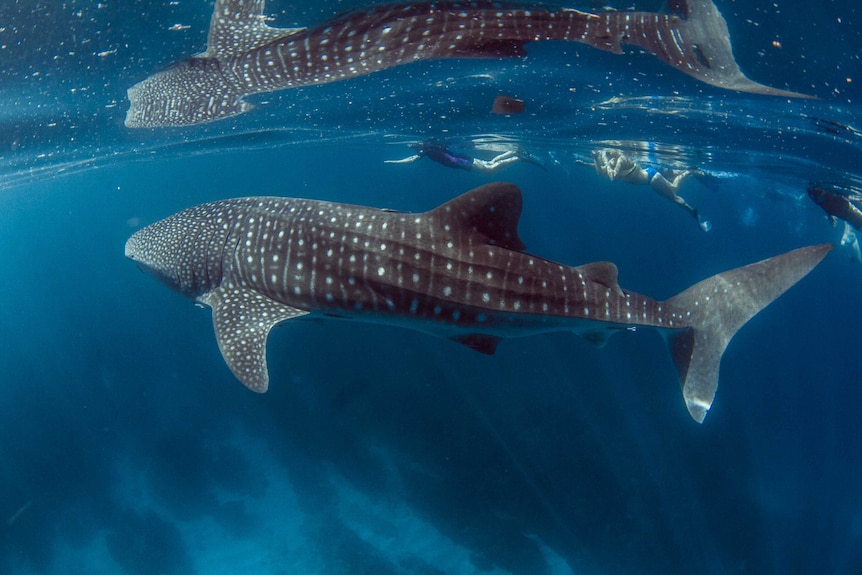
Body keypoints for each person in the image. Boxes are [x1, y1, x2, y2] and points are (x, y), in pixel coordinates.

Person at [592, 148, 711, 232]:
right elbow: (601, 172)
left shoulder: (621, 160)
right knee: (674, 192)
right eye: (605, 154)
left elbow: (612, 177)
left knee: (675, 194)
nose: (606, 155)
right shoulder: (614, 161)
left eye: (607, 153)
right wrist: (596, 159)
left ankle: (690, 172)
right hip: (650, 175)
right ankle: (689, 173)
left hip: (651, 179)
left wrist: (604, 160)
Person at [385, 141, 531, 173]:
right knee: (489, 163)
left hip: (461, 162)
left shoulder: (427, 150)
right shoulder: (431, 147)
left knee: (490, 170)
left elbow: (412, 160)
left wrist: (396, 162)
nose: (414, 148)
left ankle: (518, 158)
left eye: (414, 146)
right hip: (462, 158)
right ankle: (512, 152)